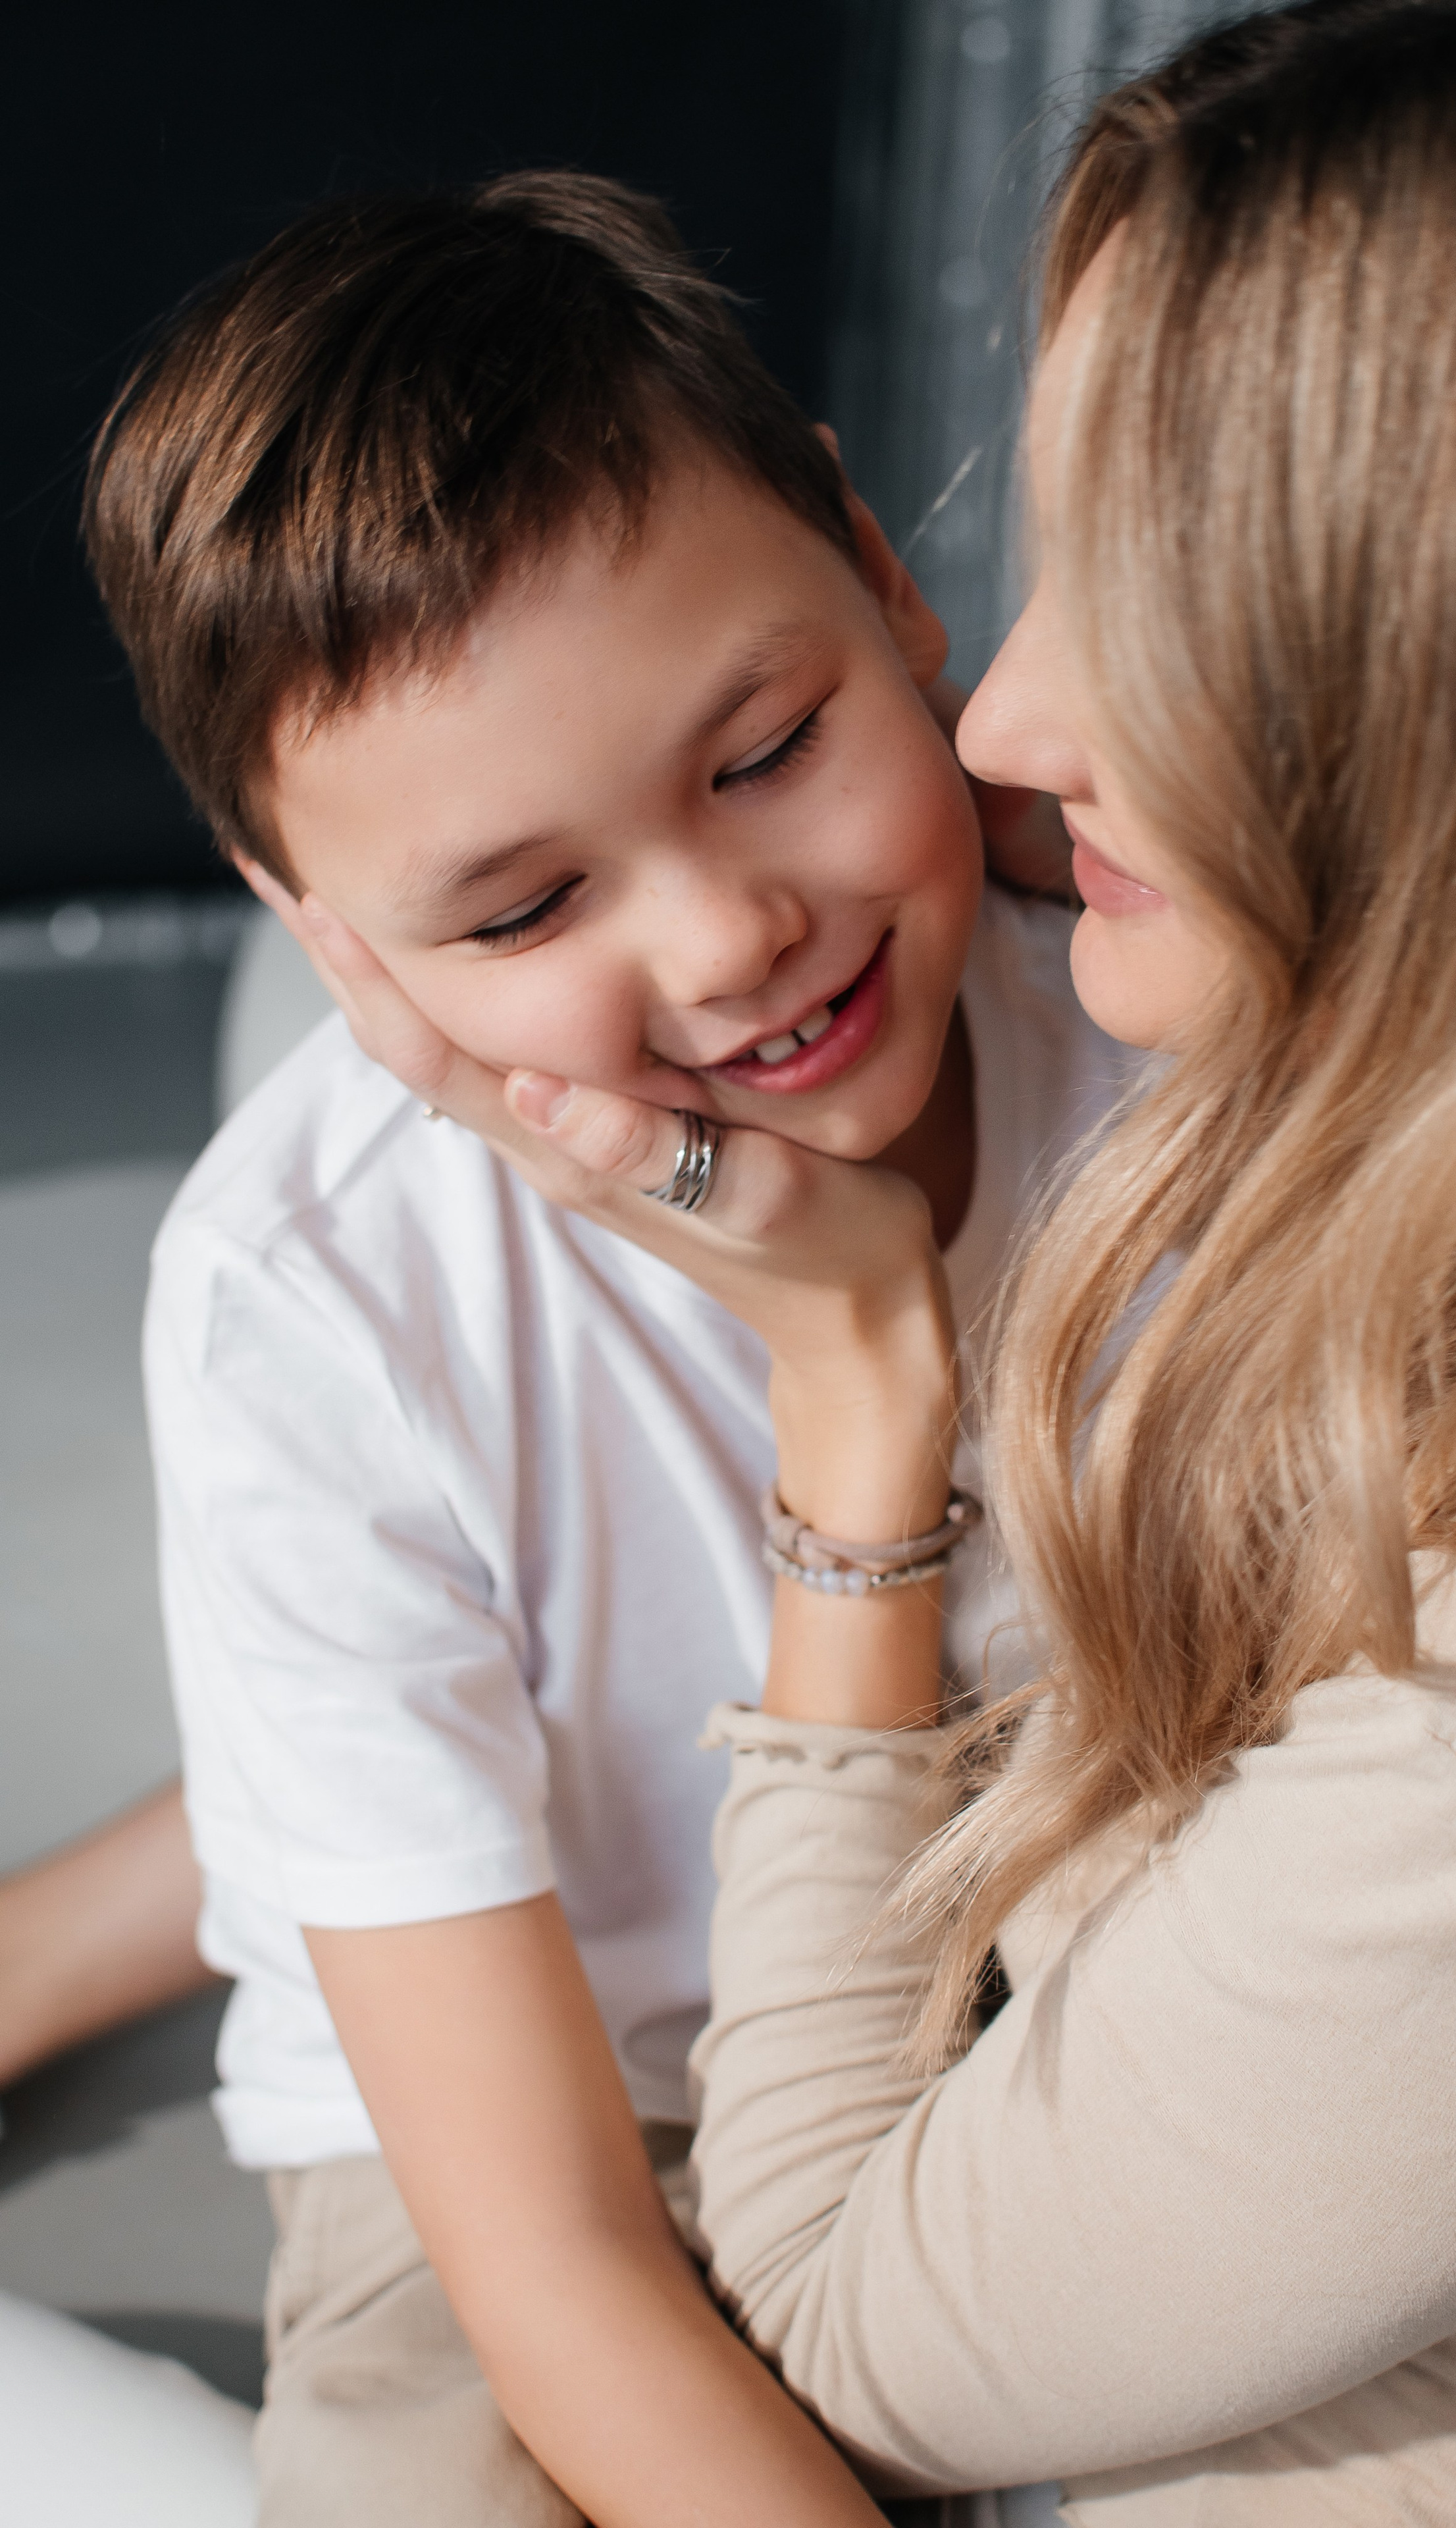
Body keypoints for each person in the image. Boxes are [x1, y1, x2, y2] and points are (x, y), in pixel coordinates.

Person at [314, 1, 1456, 2517]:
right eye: (1024, 561)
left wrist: (862, 1407)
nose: (1017, 719)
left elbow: (827, 2320)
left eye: (1151, 605)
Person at [65, 166, 1126, 2527]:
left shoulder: (1143, 989)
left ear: (878, 569)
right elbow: (539, 2255)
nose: (738, 935)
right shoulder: (313, 1299)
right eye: (530, 904)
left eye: (765, 750)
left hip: (1041, 1992)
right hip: (577, 2096)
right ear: (322, 930)